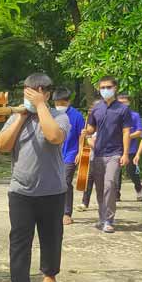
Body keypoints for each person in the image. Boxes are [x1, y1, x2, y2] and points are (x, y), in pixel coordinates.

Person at [0, 73, 70, 282]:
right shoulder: (17, 116)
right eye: (26, 91)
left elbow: (54, 137)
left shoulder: (59, 116)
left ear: (46, 94)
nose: (29, 96)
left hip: (52, 190)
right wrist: (21, 117)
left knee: (51, 235)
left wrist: (40, 106)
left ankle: (49, 274)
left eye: (35, 92)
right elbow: (2, 145)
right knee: (19, 238)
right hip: (20, 190)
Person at [83, 76, 131, 233]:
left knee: (110, 185)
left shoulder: (123, 109)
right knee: (100, 188)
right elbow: (91, 128)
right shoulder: (96, 109)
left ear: (115, 88)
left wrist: (125, 153)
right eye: (102, 87)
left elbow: (126, 132)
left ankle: (109, 220)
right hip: (98, 153)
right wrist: (86, 132)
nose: (105, 90)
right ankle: (102, 218)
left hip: (115, 153)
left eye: (108, 87)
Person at [52, 87, 85, 225]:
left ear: (68, 102)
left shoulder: (77, 116)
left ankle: (66, 213)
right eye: (57, 103)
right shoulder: (51, 114)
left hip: (70, 153)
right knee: (53, 182)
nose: (59, 106)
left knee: (65, 181)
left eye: (62, 103)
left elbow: (82, 134)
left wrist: (80, 151)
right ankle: (54, 211)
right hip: (53, 154)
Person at [117, 93, 142, 201]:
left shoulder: (134, 115)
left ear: (129, 103)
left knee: (131, 171)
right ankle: (116, 193)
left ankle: (139, 188)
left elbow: (139, 132)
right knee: (116, 172)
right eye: (120, 102)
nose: (123, 104)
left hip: (131, 149)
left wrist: (127, 136)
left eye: (125, 102)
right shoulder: (114, 115)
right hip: (116, 148)